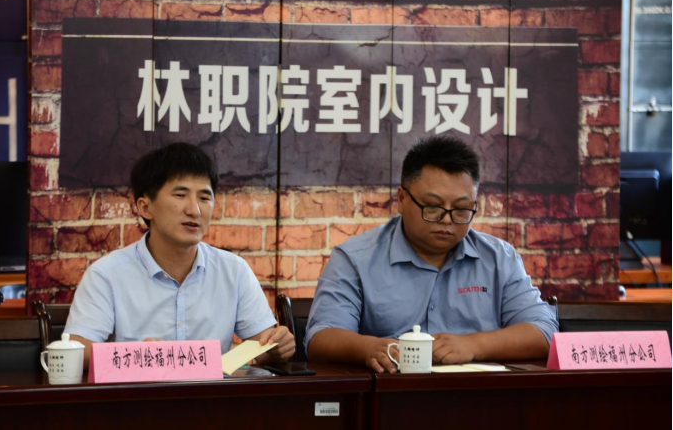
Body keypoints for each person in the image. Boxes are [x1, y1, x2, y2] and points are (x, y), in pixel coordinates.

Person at [306, 135, 558, 373]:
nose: (446, 219)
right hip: (390, 392)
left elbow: (544, 332)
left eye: (461, 209)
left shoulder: (499, 258)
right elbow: (320, 338)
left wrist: (473, 345)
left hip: (480, 395)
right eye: (433, 206)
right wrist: (368, 348)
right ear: (402, 198)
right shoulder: (355, 259)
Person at [64, 143, 295, 368]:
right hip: (140, 393)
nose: (194, 210)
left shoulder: (234, 270)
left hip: (212, 394)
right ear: (145, 207)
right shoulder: (106, 275)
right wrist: (137, 357)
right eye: (180, 195)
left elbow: (264, 345)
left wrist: (277, 347)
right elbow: (76, 350)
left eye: (204, 198)